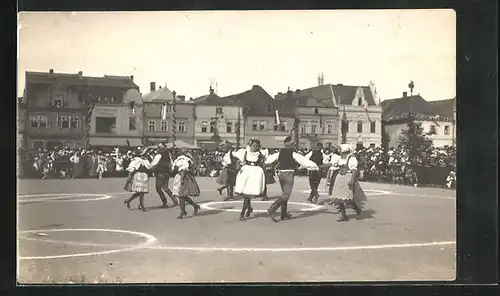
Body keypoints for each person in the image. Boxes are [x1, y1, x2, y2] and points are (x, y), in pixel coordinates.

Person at [264, 136, 319, 222]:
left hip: (280, 174)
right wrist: (315, 167)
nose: (294, 145)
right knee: (286, 195)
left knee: (284, 194)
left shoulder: (279, 153)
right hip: (288, 174)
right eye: (293, 143)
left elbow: (268, 160)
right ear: (289, 144)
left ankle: (284, 214)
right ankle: (272, 209)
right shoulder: (293, 154)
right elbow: (304, 161)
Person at [329, 144, 367, 222]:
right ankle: (343, 215)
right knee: (338, 197)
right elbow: (336, 166)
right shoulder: (340, 158)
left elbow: (354, 170)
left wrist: (352, 180)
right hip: (340, 177)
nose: (341, 153)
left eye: (342, 152)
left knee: (348, 197)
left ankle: (358, 211)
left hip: (347, 177)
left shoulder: (351, 158)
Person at [232, 139, 266, 221]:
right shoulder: (245, 152)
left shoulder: (261, 154)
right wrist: (239, 164)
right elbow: (234, 155)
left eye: (257, 146)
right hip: (246, 173)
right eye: (253, 146)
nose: (255, 147)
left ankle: (242, 213)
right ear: (250, 146)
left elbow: (268, 160)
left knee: (248, 194)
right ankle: (248, 209)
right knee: (246, 193)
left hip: (255, 174)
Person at [172, 149, 201, 219]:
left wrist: (181, 179)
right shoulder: (186, 159)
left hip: (184, 177)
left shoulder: (182, 160)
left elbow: (183, 170)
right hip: (183, 177)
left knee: (181, 195)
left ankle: (183, 211)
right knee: (182, 195)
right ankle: (194, 206)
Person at [151, 143, 178, 208]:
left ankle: (165, 202)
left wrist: (150, 168)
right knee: (166, 188)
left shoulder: (158, 155)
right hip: (167, 173)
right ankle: (174, 199)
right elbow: (171, 163)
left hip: (160, 173)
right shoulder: (168, 154)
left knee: (158, 189)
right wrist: (171, 171)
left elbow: (153, 164)